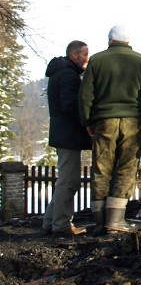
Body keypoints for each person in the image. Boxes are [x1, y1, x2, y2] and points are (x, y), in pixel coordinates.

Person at [79, 25, 141, 233]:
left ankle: (99, 222)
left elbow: (86, 95)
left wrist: (88, 121)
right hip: (133, 122)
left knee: (101, 168)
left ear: (110, 40)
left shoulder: (96, 60)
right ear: (128, 41)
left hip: (104, 121)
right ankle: (115, 221)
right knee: (127, 167)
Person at [42, 40, 92, 237]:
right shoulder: (68, 76)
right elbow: (70, 105)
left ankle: (49, 221)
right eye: (85, 55)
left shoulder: (61, 73)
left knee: (65, 180)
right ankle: (61, 224)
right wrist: (87, 122)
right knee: (69, 181)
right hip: (68, 134)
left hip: (63, 134)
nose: (87, 59)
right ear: (74, 55)